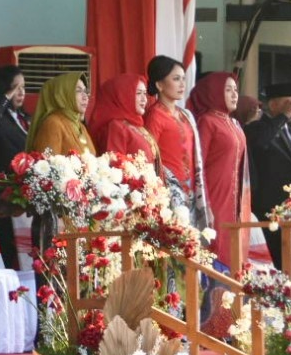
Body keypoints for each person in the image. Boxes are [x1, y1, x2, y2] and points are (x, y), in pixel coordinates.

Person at [245, 82, 291, 268]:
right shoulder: (257, 128)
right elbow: (260, 142)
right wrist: (281, 118)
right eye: (289, 103)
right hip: (269, 211)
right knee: (274, 263)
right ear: (273, 105)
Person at [190, 72, 248, 270]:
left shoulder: (234, 123)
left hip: (235, 200)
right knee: (217, 246)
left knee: (233, 248)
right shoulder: (207, 121)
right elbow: (199, 165)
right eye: (227, 90)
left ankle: (230, 299)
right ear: (214, 92)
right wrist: (205, 204)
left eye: (236, 90)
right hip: (214, 197)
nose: (234, 95)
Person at [144, 56, 203, 221]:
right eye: (176, 79)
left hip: (191, 188)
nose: (182, 84)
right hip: (168, 189)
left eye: (183, 79)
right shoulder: (155, 115)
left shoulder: (185, 114)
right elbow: (149, 156)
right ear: (159, 85)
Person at [0, 65, 28, 269]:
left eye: (23, 88)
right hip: (2, 190)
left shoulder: (24, 118)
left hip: (22, 191)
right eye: (15, 88)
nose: (21, 93)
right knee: (8, 248)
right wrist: (4, 99)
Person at [87, 73, 158, 164]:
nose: (144, 99)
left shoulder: (137, 126)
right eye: (138, 93)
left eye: (145, 93)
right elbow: (115, 166)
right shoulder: (116, 127)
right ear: (123, 96)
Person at [26, 72, 93, 156]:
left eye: (85, 91)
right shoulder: (53, 124)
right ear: (63, 94)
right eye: (78, 91)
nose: (85, 97)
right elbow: (49, 167)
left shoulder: (80, 126)